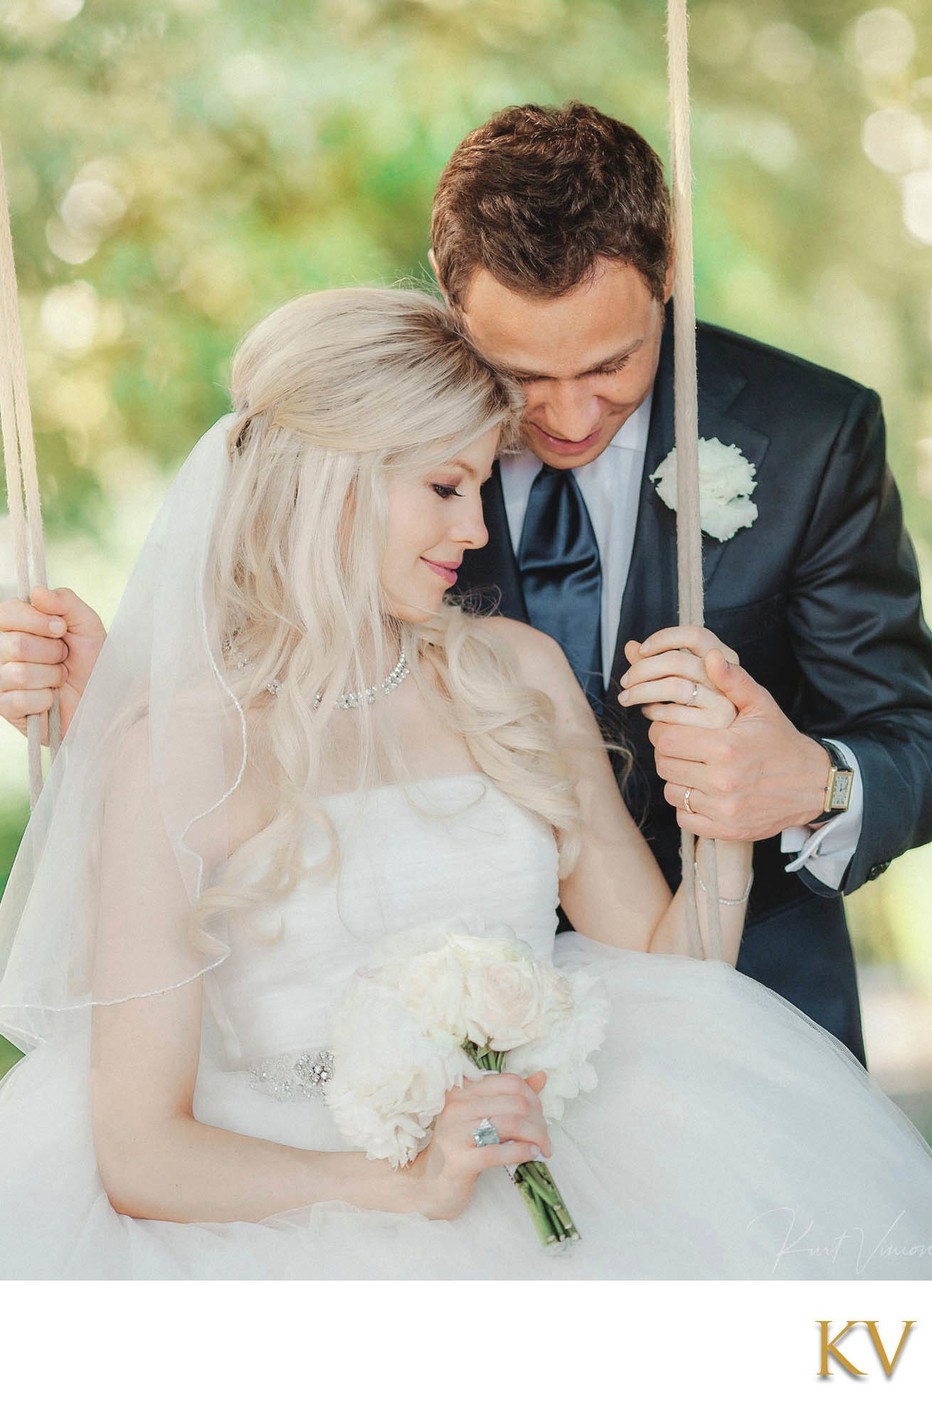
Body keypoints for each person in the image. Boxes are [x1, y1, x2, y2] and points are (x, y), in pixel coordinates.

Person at [0, 287, 930, 1281]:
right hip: (286, 1225)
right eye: (447, 488)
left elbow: (676, 970)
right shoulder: (173, 752)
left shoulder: (513, 674)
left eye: (483, 488)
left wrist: (727, 802)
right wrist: (400, 1184)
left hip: (582, 1160)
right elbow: (142, 1154)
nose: (479, 530)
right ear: (337, 480)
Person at [3, 106, 931, 1064]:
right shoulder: (357, 448)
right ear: (454, 308)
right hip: (350, 1068)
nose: (570, 417)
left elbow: (911, 731)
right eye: (523, 375)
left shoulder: (815, 434)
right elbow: (263, 732)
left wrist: (810, 783)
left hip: (734, 1020)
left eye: (613, 365)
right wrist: (112, 723)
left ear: (665, 282)